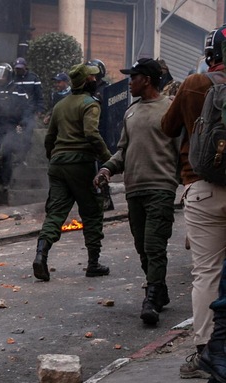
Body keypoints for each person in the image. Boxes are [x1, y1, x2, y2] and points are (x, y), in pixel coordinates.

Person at [162, 24, 226, 382]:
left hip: (201, 187)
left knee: (207, 272)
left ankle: (206, 351)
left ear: (210, 53)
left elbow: (167, 127)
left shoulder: (194, 84)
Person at [93, 59, 177, 325]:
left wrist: (187, 183)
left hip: (161, 188)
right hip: (135, 190)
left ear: (147, 80)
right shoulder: (131, 112)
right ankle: (159, 290)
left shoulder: (170, 109)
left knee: (154, 245)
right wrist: (106, 169)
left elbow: (182, 149)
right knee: (142, 246)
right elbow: (123, 151)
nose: (129, 82)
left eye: (134, 77)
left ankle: (151, 299)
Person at [32, 64, 112, 282]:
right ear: (86, 81)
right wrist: (108, 158)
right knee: (92, 212)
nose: (95, 79)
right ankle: (93, 264)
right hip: (81, 164)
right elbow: (92, 134)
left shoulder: (60, 105)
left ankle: (41, 255)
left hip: (58, 164)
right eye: (92, 77)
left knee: (55, 213)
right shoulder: (90, 104)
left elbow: (49, 138)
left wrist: (54, 157)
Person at [0, 63, 29, 205]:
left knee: (7, 154)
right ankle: (0, 181)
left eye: (2, 76)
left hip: (12, 127)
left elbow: (26, 109)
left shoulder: (18, 90)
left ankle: (5, 184)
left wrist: (22, 124)